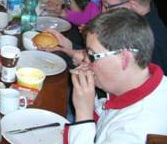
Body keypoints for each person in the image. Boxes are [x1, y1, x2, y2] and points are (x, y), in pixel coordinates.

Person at [63, 9, 167, 143]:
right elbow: (106, 114)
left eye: (93, 56)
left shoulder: (130, 133)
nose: (87, 62)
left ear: (124, 59)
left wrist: (83, 113)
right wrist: (89, 94)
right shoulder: (131, 84)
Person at [100, 0, 167, 74]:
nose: (103, 11)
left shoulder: (148, 41)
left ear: (131, 6)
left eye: (107, 6)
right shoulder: (142, 17)